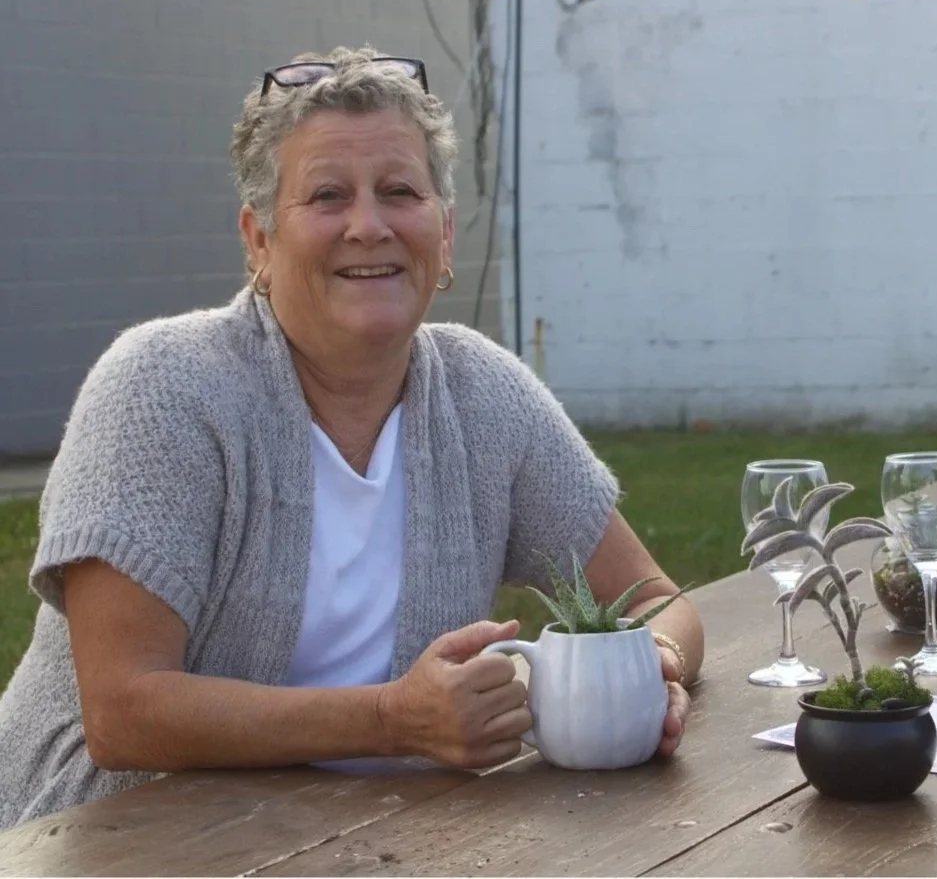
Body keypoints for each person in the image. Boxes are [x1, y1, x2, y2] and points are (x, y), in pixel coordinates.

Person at [0, 46, 704, 829]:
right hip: (103, 839)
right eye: (327, 195)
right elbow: (125, 711)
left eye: (398, 191)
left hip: (374, 840)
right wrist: (392, 719)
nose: (367, 226)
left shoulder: (484, 395)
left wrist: (650, 669)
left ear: (442, 235)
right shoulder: (162, 386)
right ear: (259, 241)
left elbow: (654, 599)